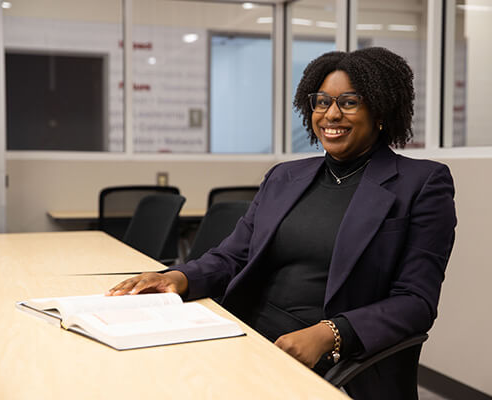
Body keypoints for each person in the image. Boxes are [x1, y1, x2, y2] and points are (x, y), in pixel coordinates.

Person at [107, 47, 456, 399]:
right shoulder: (285, 176)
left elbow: (416, 301)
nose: (331, 114)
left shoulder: (421, 183)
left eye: (349, 102)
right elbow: (233, 256)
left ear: (380, 110)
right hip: (246, 334)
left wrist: (330, 333)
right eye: (321, 102)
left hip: (330, 356)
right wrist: (176, 278)